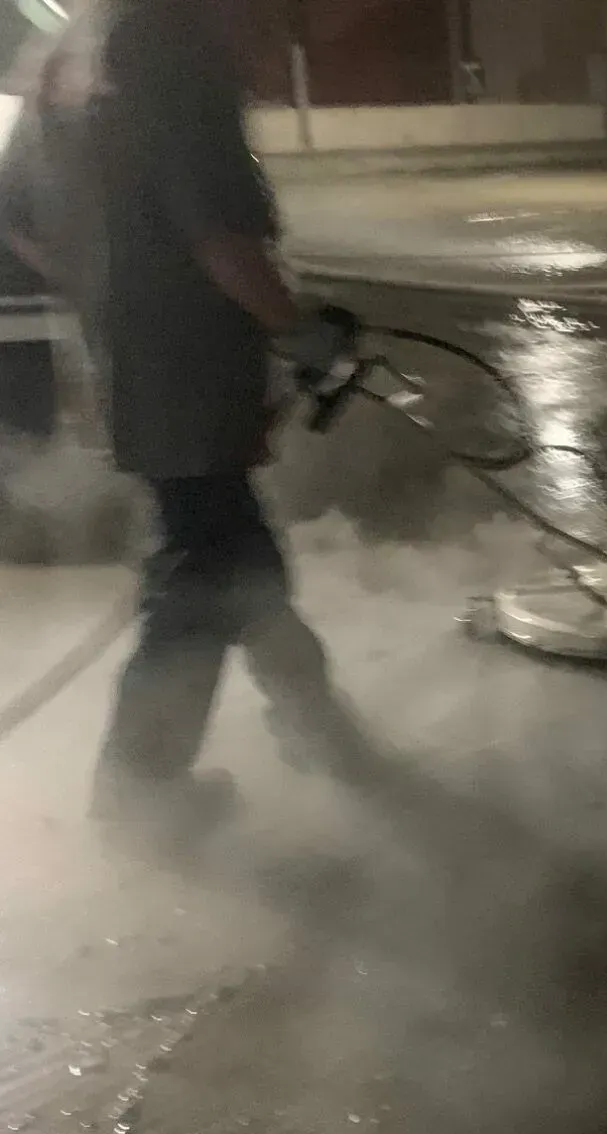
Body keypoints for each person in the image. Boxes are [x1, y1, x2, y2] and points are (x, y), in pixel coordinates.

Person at [0, 0, 371, 835]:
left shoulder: (71, 52)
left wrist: (112, 291)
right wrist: (299, 331)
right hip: (190, 377)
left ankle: (318, 729)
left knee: (238, 558)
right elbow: (220, 238)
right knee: (201, 576)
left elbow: (19, 222)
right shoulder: (171, 50)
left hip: (129, 365)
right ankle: (139, 790)